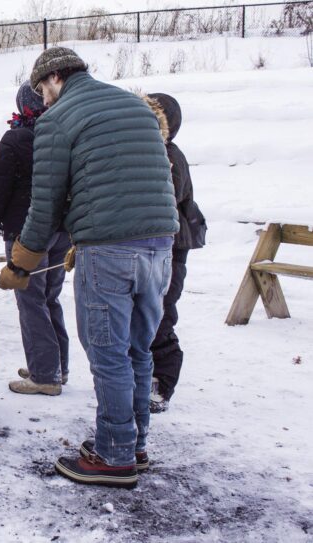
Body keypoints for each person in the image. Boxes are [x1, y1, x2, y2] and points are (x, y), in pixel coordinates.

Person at [0, 47, 178, 489]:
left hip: (111, 253)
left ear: (55, 77)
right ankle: (133, 443)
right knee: (137, 349)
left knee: (108, 354)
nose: (42, 99)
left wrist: (21, 263)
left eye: (43, 89)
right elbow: (136, 179)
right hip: (160, 246)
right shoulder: (132, 105)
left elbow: (44, 206)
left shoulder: (58, 119)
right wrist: (87, 235)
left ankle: (113, 456)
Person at [0, 81, 71, 396]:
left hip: (26, 234)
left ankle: (45, 374)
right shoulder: (63, 134)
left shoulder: (17, 138)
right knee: (49, 298)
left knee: (31, 301)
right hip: (62, 231)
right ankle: (56, 365)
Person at [143, 93, 206, 413]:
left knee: (161, 314)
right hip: (155, 246)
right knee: (146, 315)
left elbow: (168, 197)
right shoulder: (153, 152)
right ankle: (144, 380)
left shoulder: (170, 156)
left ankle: (162, 384)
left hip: (172, 247)